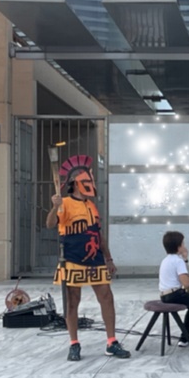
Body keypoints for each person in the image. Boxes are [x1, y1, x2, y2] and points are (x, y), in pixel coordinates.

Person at [46, 154, 130, 361]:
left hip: (95, 259)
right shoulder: (64, 203)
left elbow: (99, 234)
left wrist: (108, 258)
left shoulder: (92, 205)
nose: (91, 184)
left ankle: (111, 342)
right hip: (72, 259)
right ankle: (74, 344)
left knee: (107, 297)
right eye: (86, 181)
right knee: (72, 302)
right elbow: (50, 224)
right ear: (75, 184)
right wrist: (55, 206)